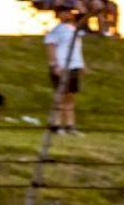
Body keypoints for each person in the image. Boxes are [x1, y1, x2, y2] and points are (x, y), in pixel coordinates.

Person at [44, 3, 85, 135]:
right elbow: (51, 47)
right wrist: (54, 64)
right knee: (60, 97)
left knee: (70, 98)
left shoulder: (75, 30)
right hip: (61, 66)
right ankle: (56, 125)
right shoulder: (56, 30)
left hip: (73, 66)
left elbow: (77, 48)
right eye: (64, 12)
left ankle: (69, 125)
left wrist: (81, 64)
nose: (68, 14)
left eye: (69, 12)